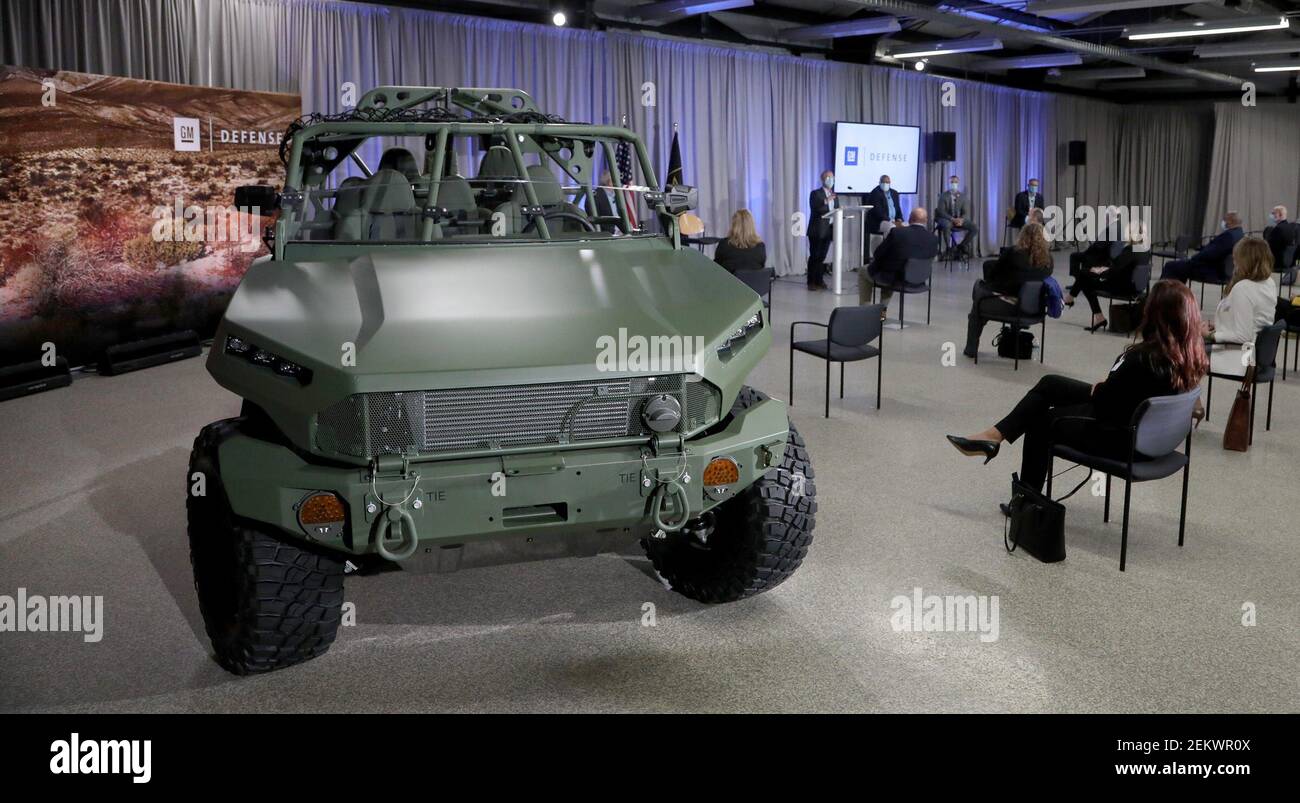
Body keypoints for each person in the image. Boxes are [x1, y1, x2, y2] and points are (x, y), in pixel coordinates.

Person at [946, 279, 1209, 494]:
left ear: (1153, 314)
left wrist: (1102, 389)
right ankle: (993, 437)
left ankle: (1026, 499)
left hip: (1121, 436)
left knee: (1040, 421)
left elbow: (1105, 403)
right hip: (1155, 438)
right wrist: (1106, 389)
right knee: (1050, 384)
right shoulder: (1191, 355)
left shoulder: (1142, 357)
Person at [963, 222, 1054, 358]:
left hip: (1013, 305)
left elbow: (994, 276)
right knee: (982, 294)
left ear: (1023, 235)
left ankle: (971, 349)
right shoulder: (1049, 260)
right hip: (1036, 308)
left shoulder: (1014, 253)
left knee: (978, 297)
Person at [1203, 237, 1277, 378]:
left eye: (1236, 258)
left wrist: (1211, 335)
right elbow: (1255, 321)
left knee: (1182, 356)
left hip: (1241, 358)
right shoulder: (1269, 283)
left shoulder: (1243, 288)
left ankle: (1185, 399)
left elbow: (1243, 336)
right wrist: (1220, 325)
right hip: (1258, 356)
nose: (1234, 261)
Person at [1065, 218, 1143, 332]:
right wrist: (1104, 269)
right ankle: (1071, 299)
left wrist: (1100, 271)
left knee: (1085, 278)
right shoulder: (1143, 250)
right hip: (1132, 285)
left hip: (1121, 287)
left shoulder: (1129, 250)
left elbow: (1115, 271)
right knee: (1085, 275)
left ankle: (1096, 315)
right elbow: (1121, 267)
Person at [859, 207, 937, 307]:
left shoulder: (897, 233)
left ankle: (864, 312)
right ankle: (882, 315)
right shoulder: (933, 239)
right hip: (920, 280)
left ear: (909, 219)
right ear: (926, 221)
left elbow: (878, 254)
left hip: (895, 279)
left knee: (863, 271)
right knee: (890, 272)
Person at [1160, 211, 1244, 284]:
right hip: (1224, 270)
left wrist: (1194, 258)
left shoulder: (1228, 235)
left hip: (1212, 271)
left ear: (1231, 221)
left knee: (1170, 266)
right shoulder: (1239, 234)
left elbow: (1211, 254)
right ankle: (1176, 294)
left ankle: (1164, 295)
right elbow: (1217, 249)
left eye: (1225, 219)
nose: (1223, 222)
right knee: (1181, 266)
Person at [807, 170, 838, 290]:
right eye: (828, 178)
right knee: (815, 256)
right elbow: (816, 208)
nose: (831, 180)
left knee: (822, 257)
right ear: (823, 179)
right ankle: (811, 282)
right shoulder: (815, 193)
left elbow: (836, 209)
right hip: (817, 230)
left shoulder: (834, 195)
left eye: (832, 178)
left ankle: (819, 280)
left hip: (829, 230)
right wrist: (826, 200)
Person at [935, 175, 979, 258]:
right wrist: (952, 219)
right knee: (947, 225)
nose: (954, 184)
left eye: (955, 182)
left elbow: (966, 212)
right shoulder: (943, 195)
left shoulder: (962, 196)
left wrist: (961, 220)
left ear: (958, 183)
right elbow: (941, 211)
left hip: (958, 219)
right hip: (945, 218)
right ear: (949, 183)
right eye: (952, 182)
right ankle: (948, 248)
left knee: (974, 227)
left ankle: (961, 246)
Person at [713, 209, 767, 274]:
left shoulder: (724, 245)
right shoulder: (760, 247)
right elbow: (761, 266)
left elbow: (715, 268)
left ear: (734, 225)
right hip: (755, 283)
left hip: (730, 283)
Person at [1265, 205, 1300, 272]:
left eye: (1274, 213)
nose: (1271, 215)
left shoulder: (1278, 229)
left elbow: (1270, 247)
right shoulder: (1290, 227)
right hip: (1289, 262)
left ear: (1280, 215)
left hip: (1278, 262)